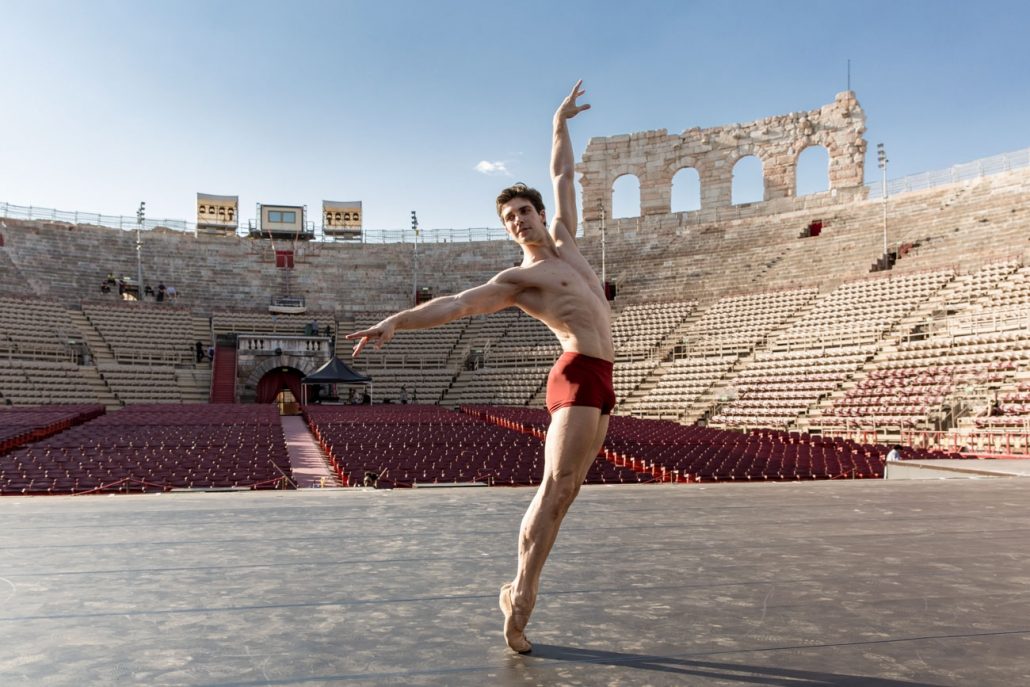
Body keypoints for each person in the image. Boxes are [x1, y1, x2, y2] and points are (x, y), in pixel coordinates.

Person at [346, 81, 611, 654]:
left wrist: (558, 124)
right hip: (576, 373)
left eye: (523, 211)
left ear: (541, 215)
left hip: (605, 376)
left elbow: (565, 176)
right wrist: (396, 320)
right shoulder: (520, 281)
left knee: (569, 494)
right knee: (556, 484)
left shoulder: (568, 243)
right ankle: (521, 597)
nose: (518, 221)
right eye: (508, 218)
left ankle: (519, 589)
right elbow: (457, 305)